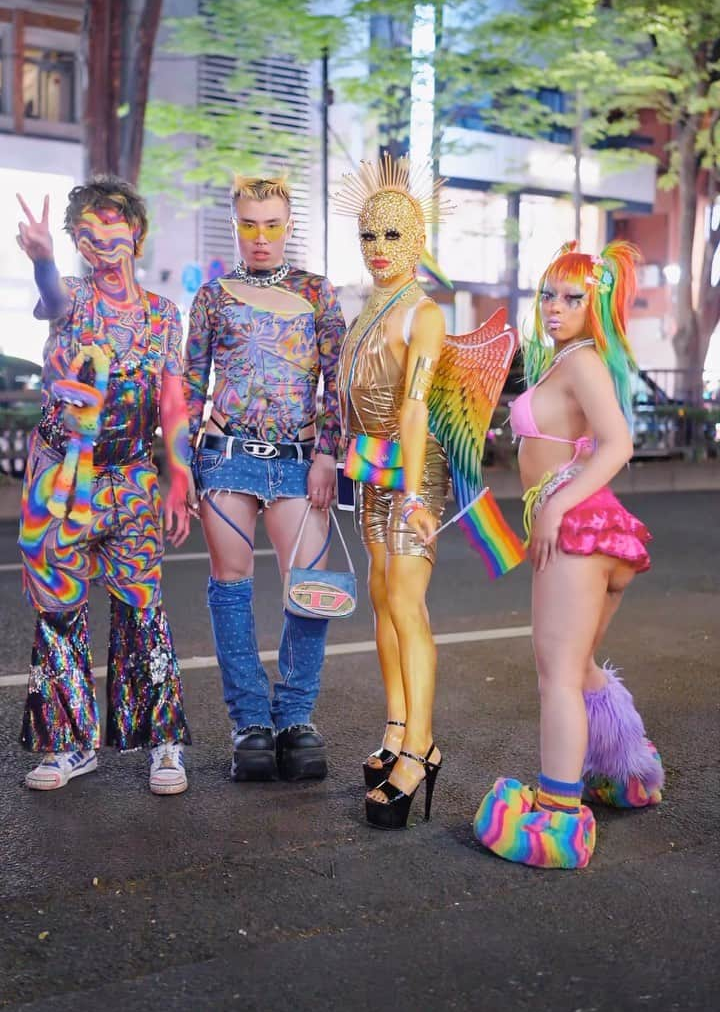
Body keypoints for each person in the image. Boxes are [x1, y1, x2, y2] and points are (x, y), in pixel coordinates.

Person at [474, 241, 664, 869]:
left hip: (576, 527)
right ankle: (628, 768)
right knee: (577, 668)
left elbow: (618, 444)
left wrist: (554, 506)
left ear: (596, 304)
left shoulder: (582, 361)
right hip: (594, 530)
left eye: (571, 297)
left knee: (555, 676)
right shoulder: (563, 360)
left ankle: (557, 819)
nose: (555, 307)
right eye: (548, 295)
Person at [15, 177, 192, 794]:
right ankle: (67, 743)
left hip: (132, 477)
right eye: (84, 235)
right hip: (60, 475)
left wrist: (180, 476)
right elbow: (51, 296)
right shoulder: (72, 296)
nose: (99, 244)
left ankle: (160, 741)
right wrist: (41, 260)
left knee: (143, 608)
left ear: (136, 233)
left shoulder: (165, 316)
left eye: (110, 229)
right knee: (58, 611)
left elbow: (173, 403)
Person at [184, 175, 346, 782]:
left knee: (312, 588)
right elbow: (188, 383)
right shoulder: (211, 297)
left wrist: (328, 453)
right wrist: (182, 461)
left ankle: (296, 717)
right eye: (249, 224)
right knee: (230, 585)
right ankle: (251, 722)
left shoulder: (317, 293)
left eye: (272, 224)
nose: (261, 237)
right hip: (226, 457)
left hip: (300, 460)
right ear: (236, 225)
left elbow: (336, 380)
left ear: (288, 226)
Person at [335, 156, 450, 830]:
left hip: (412, 471)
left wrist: (413, 493)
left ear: (418, 238)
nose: (380, 250)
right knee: (381, 596)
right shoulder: (367, 311)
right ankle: (396, 724)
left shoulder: (422, 313)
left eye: (393, 236)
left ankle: (421, 749)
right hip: (372, 469)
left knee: (407, 604)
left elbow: (414, 408)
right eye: (368, 237)